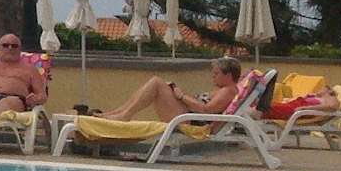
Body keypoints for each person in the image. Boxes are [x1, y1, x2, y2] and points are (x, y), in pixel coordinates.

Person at [101, 57, 243, 122]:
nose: (213, 76)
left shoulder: (228, 91)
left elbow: (206, 110)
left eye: (216, 73)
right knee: (157, 83)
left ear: (228, 75)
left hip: (188, 120)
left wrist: (181, 96)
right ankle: (117, 113)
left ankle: (124, 115)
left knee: (156, 82)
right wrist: (177, 92)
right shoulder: (223, 90)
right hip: (186, 114)